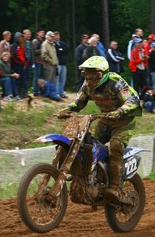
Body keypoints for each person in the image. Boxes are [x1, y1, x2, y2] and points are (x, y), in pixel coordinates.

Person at [58, 56, 142, 203]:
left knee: (115, 146)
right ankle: (92, 178)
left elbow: (133, 99)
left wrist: (120, 111)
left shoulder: (115, 81)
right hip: (105, 119)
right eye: (86, 73)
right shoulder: (87, 85)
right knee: (88, 145)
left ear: (101, 74)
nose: (89, 78)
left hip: (124, 121)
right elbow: (79, 102)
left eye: (93, 74)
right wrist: (67, 109)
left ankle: (115, 188)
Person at [11, 32, 28, 97]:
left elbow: (23, 54)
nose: (21, 39)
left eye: (22, 37)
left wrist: (25, 61)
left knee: (23, 79)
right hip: (16, 65)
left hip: (21, 64)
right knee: (18, 79)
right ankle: (17, 93)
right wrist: (20, 60)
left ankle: (22, 93)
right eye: (20, 37)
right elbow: (14, 55)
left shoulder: (21, 45)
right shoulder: (14, 45)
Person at [53, 31, 69, 98]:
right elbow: (57, 52)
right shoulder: (53, 44)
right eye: (56, 35)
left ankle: (61, 92)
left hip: (63, 64)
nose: (57, 37)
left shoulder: (62, 43)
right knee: (57, 79)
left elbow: (67, 48)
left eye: (58, 35)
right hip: (58, 64)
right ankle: (57, 93)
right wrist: (62, 50)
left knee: (63, 79)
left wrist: (61, 49)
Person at [31, 29, 45, 96]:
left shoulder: (42, 41)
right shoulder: (35, 41)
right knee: (37, 76)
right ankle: (35, 91)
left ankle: (40, 90)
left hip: (42, 61)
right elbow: (34, 51)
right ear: (37, 33)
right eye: (41, 32)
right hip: (37, 61)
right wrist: (41, 50)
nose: (43, 33)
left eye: (43, 32)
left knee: (41, 77)